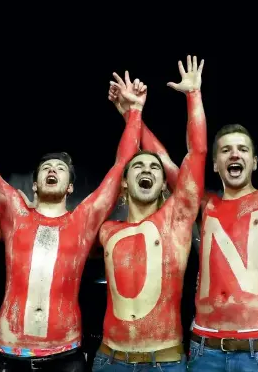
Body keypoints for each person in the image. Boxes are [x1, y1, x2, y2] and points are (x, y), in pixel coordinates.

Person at [110, 8, 258, 371]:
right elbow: (164, 160)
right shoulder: (203, 204)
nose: (234, 154)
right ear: (215, 164)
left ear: (256, 162)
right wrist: (131, 115)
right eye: (226, 150)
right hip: (205, 350)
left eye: (243, 149)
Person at [0, 68, 144, 372]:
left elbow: (122, 165)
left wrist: (134, 111)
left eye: (60, 168)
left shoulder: (82, 221)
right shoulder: (16, 214)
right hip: (9, 353)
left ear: (70, 186)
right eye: (46, 168)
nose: (52, 171)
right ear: (34, 184)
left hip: (65, 355)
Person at [92, 56, 207, 371]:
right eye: (138, 167)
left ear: (164, 185)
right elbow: (120, 162)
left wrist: (193, 95)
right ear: (125, 185)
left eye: (154, 167)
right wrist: (132, 116)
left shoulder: (178, 220)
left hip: (164, 362)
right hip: (108, 359)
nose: (146, 169)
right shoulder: (105, 231)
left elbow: (196, 154)